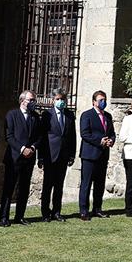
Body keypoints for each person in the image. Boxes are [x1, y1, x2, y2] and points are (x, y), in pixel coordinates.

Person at [0, 90, 41, 226]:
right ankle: (4, 217)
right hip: (14, 157)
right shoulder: (12, 115)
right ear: (22, 101)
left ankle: (20, 216)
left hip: (29, 158)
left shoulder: (35, 116)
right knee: (9, 188)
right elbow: (9, 136)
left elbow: (39, 137)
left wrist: (33, 148)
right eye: (31, 100)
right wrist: (22, 149)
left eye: (34, 100)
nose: (33, 102)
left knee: (24, 188)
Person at [40, 88, 76, 221]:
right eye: (58, 99)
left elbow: (72, 136)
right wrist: (41, 157)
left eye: (62, 99)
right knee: (48, 185)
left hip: (64, 155)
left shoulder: (69, 115)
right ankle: (45, 213)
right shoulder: (46, 115)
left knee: (59, 185)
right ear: (52, 100)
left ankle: (56, 212)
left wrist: (72, 154)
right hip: (50, 154)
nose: (60, 101)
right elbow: (42, 137)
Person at [78, 90, 115, 220]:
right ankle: (83, 210)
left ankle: (97, 209)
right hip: (89, 155)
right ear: (94, 102)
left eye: (104, 99)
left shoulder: (108, 116)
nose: (103, 102)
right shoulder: (87, 115)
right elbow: (85, 133)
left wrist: (111, 140)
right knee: (86, 184)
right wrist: (100, 141)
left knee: (100, 184)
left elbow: (112, 133)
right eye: (100, 100)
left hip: (103, 155)